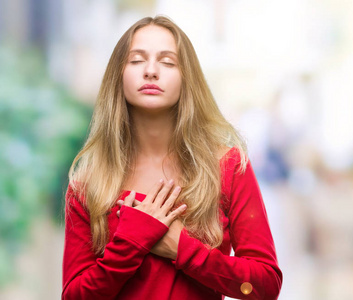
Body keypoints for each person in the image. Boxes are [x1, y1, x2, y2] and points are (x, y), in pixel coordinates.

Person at [62, 15, 282, 300]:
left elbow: (265, 287)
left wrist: (183, 250)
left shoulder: (229, 168)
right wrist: (130, 243)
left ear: (186, 78)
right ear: (118, 74)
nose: (151, 71)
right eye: (137, 60)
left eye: (167, 62)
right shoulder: (88, 182)